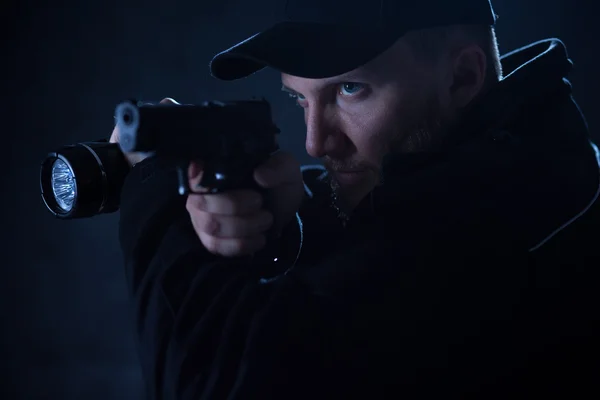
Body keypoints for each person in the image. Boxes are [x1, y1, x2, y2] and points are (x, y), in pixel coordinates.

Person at [111, 0, 600, 398]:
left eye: (350, 89)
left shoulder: (488, 228)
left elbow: (214, 387)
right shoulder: (537, 163)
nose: (315, 143)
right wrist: (289, 237)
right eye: (299, 99)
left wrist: (155, 188)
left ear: (463, 78)